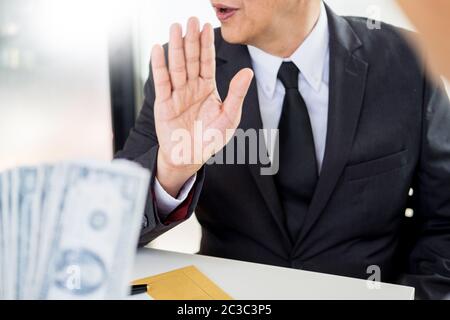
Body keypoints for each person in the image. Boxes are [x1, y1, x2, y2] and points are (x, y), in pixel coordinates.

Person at [115, 0, 450, 299]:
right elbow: (109, 227)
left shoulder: (410, 60)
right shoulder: (184, 73)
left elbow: (443, 221)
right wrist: (172, 170)